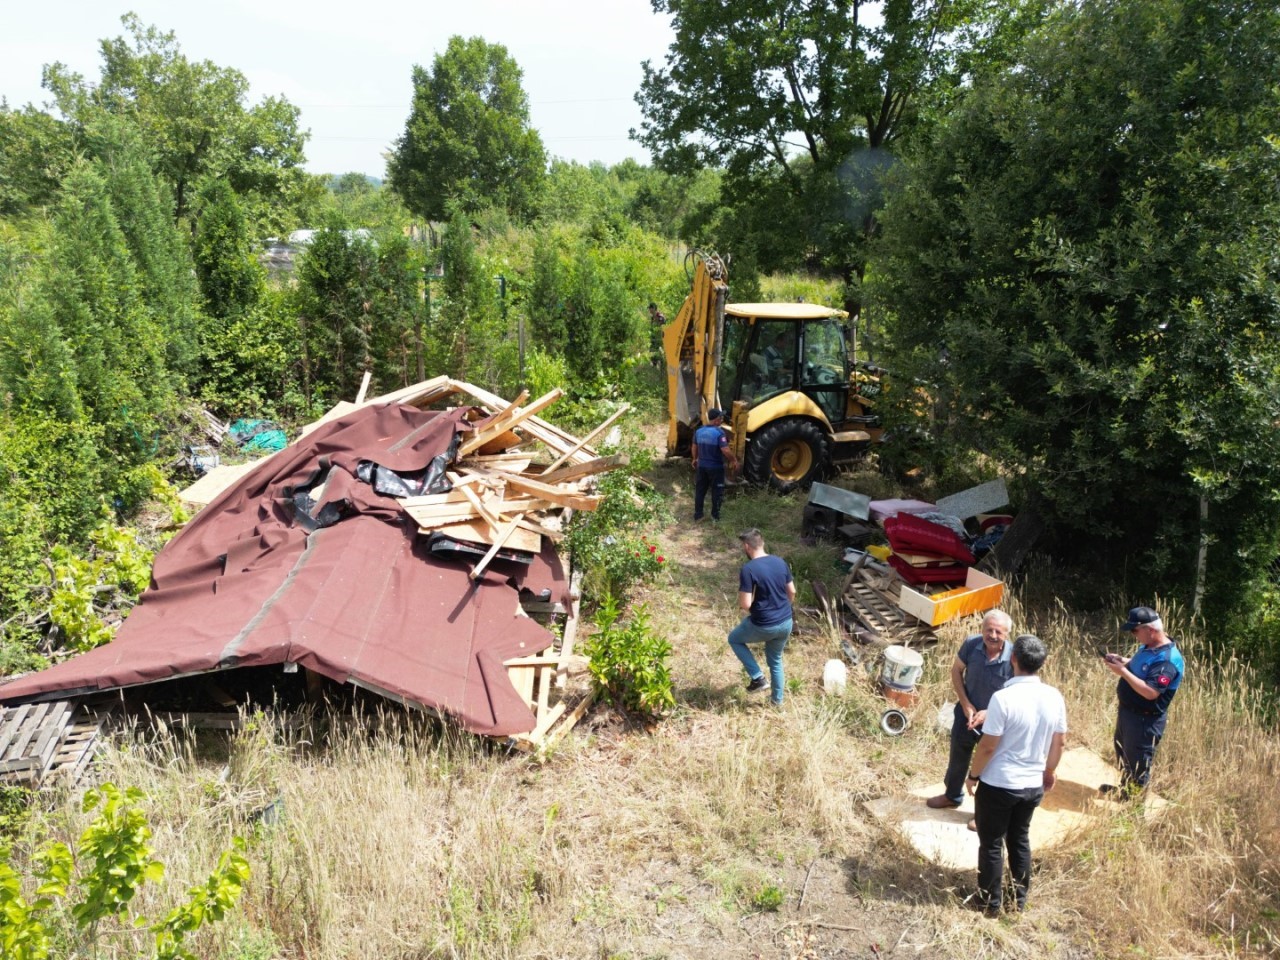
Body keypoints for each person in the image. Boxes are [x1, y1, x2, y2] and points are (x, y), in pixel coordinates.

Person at [966, 634, 1067, 914]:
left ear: (1013, 659)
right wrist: (1049, 770)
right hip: (1032, 785)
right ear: (1041, 664)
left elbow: (987, 746)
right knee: (1020, 839)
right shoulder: (1054, 696)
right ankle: (1018, 901)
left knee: (991, 844)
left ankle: (989, 903)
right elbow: (1059, 741)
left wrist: (973, 776)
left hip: (999, 784)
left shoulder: (1003, 698)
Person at [926, 610, 1014, 810]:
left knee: (989, 764)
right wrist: (965, 704)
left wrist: (989, 713)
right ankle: (952, 796)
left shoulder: (1014, 657)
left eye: (998, 632)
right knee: (958, 755)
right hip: (966, 714)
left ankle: (983, 812)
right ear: (982, 629)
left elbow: (1017, 693)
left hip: (995, 721)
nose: (992, 635)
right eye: (988, 630)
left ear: (1007, 634)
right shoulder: (971, 644)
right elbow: (956, 670)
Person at [1102, 605, 1185, 793]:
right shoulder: (1149, 646)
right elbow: (1139, 666)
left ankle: (1134, 809)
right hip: (1128, 713)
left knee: (1138, 763)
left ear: (1150, 630)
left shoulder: (1168, 660)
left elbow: (1151, 691)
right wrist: (1121, 661)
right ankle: (1125, 791)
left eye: (1135, 630)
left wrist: (1122, 672)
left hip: (1144, 720)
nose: (1133, 634)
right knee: (1124, 754)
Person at [728, 528, 795, 705]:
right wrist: (782, 609)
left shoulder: (748, 569)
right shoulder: (780, 562)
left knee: (734, 639)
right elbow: (792, 591)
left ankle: (757, 677)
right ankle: (777, 702)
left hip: (764, 623)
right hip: (786, 621)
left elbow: (745, 604)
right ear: (762, 543)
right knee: (775, 660)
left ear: (747, 547)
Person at [691, 408, 737, 522]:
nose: (722, 419)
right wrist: (734, 460)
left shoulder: (699, 431)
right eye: (720, 418)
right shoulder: (719, 433)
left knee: (700, 490)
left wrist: (694, 458)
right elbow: (725, 450)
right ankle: (715, 517)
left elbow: (694, 446)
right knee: (717, 491)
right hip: (715, 468)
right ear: (716, 420)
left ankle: (698, 516)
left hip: (701, 466)